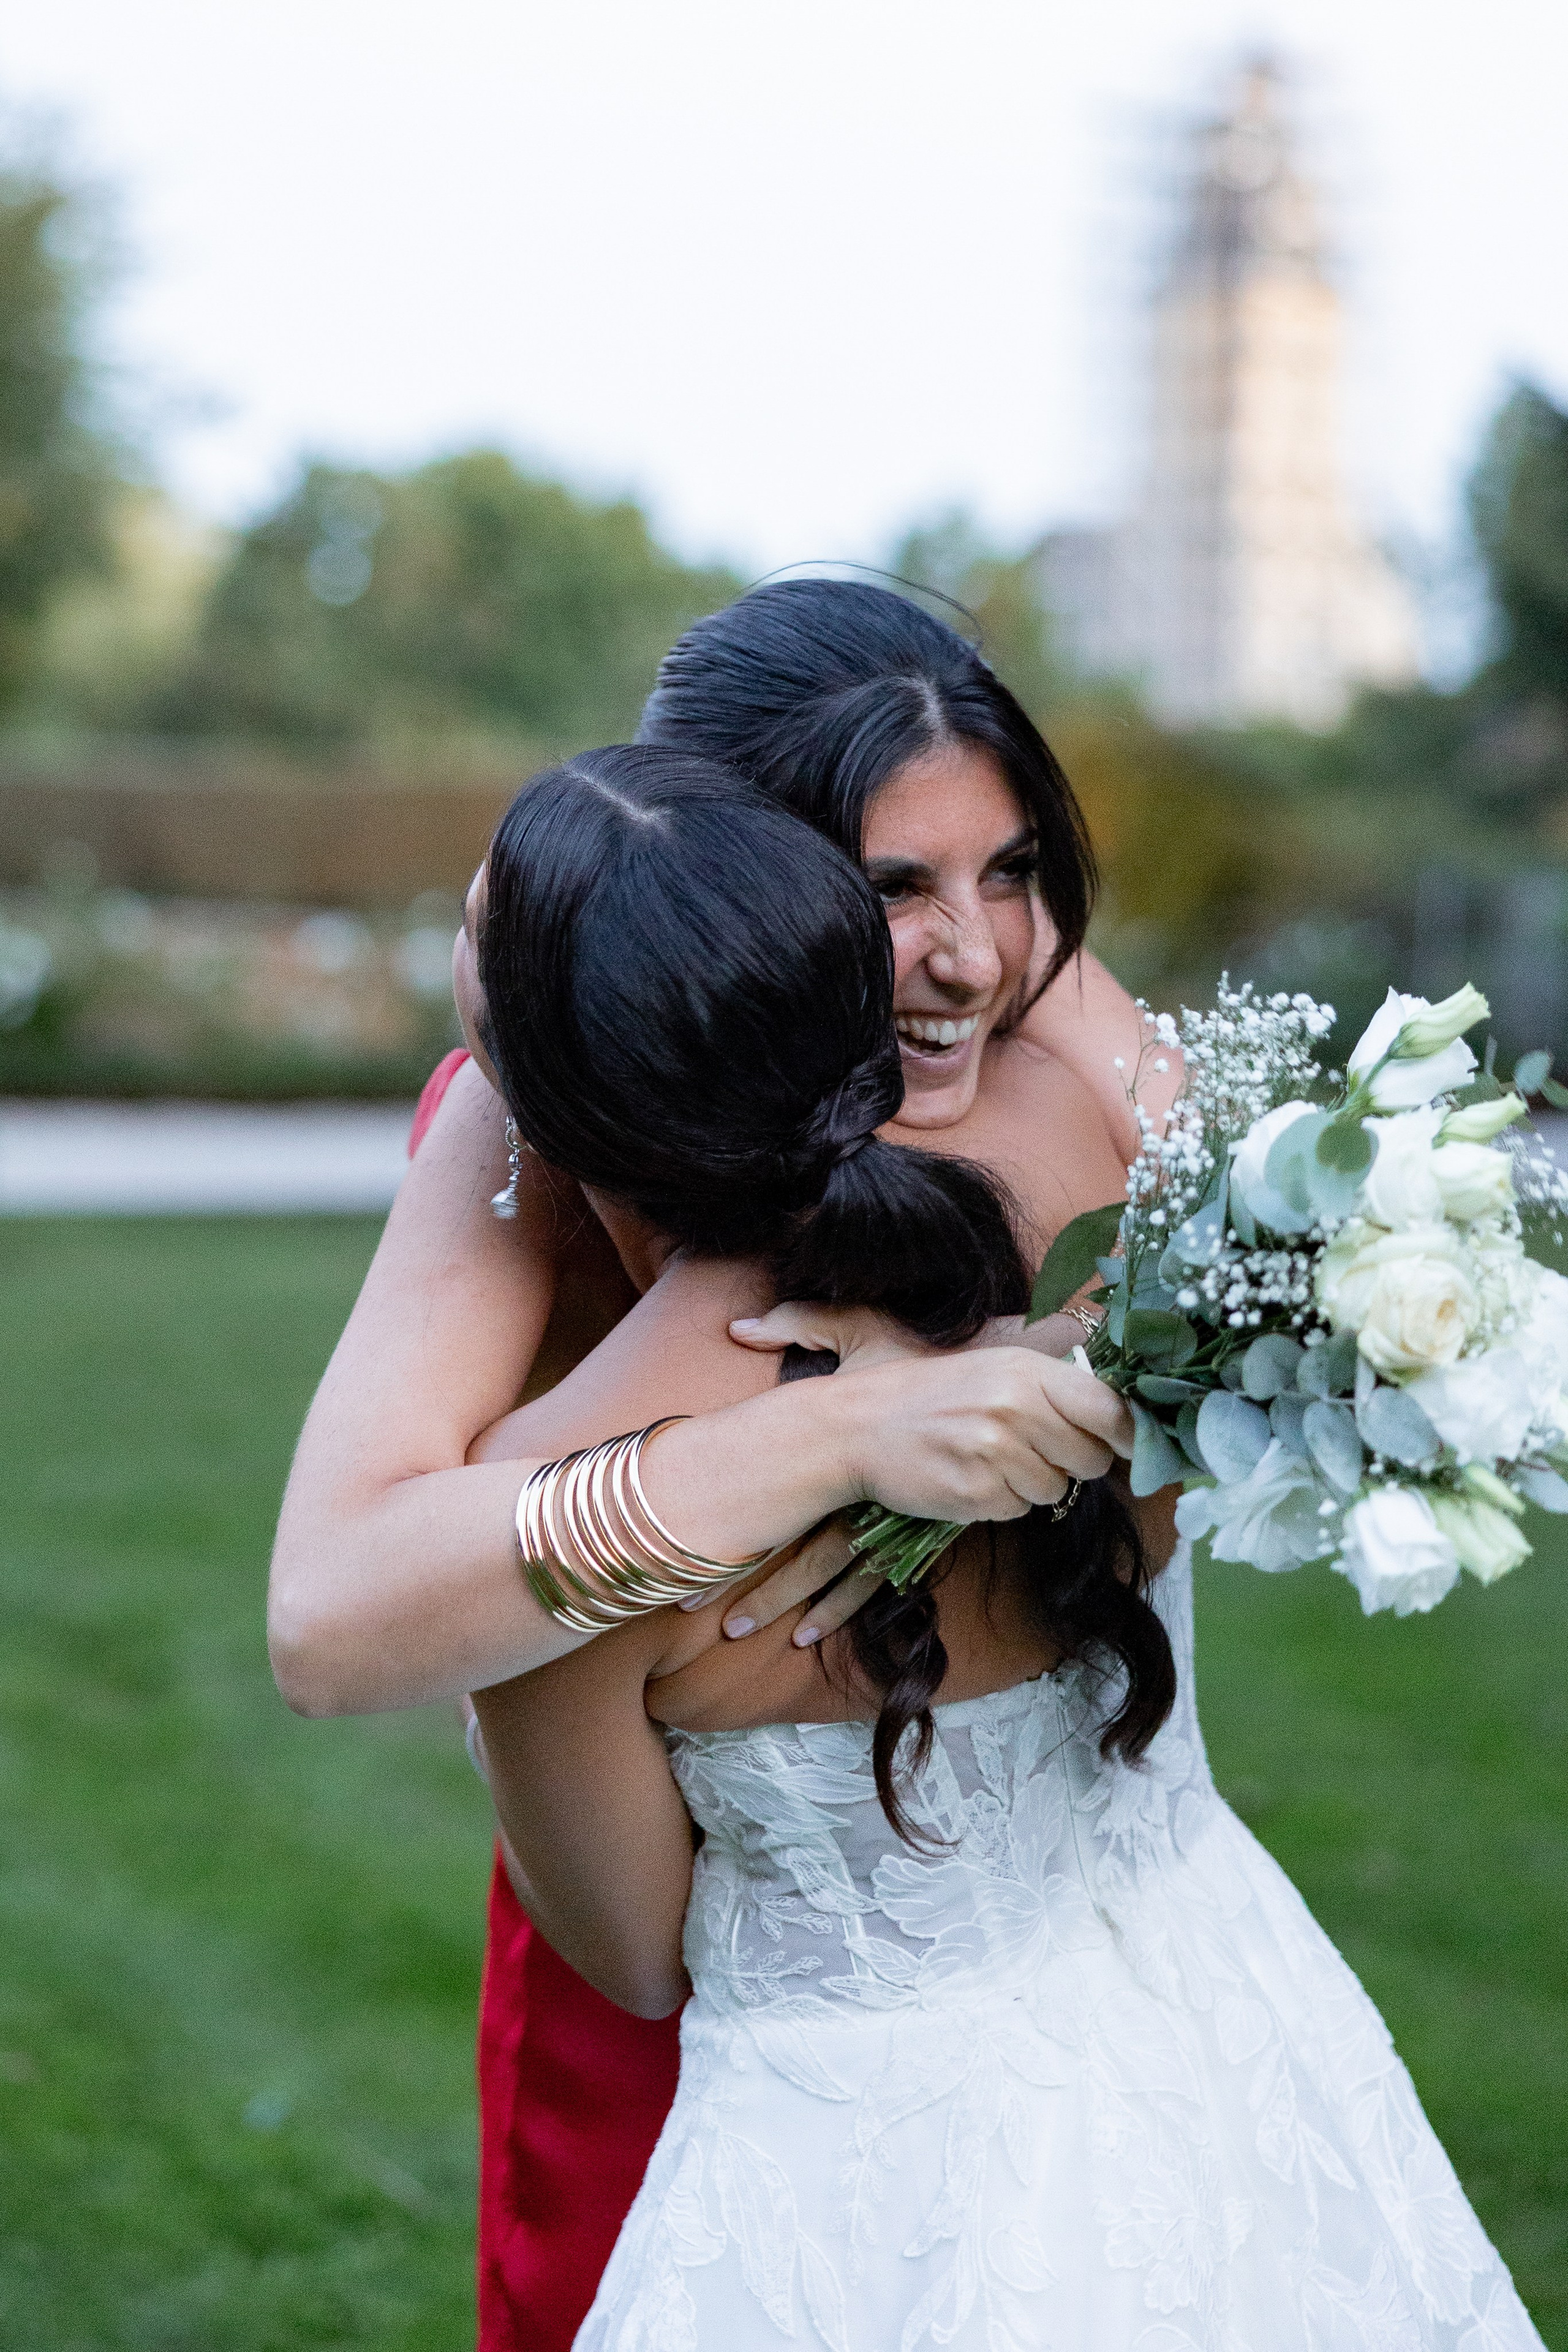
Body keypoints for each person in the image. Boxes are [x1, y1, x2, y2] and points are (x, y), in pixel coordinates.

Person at [462, 745, 1543, 2351]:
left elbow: (628, 1955)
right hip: (1232, 2046)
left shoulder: (545, 1528)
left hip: (848, 2205)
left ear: (540, 1106)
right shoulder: (1100, 1255)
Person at [271, 579, 1182, 2343]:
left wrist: (1048, 1357)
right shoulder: (527, 1123)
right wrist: (832, 1426)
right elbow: (335, 1613)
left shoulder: (1046, 1064)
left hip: (1062, 1987)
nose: (980, 956)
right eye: (891, 888)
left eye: (1011, 874)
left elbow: (1275, 1233)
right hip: (657, 1912)